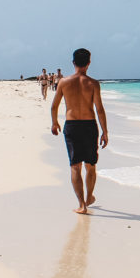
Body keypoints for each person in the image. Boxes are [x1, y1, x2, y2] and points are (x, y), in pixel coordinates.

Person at [50, 49, 109, 214]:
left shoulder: (63, 82)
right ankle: (90, 196)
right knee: (90, 165)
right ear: (89, 63)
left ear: (73, 62)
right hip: (90, 126)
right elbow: (100, 110)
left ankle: (82, 205)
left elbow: (54, 106)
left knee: (75, 166)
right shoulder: (93, 84)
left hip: (72, 125)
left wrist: (54, 123)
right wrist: (105, 132)